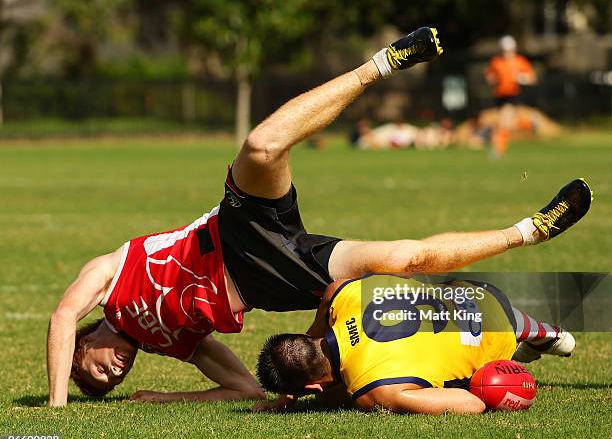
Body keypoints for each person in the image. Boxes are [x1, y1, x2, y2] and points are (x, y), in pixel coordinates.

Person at [47, 26, 592, 407]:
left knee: (261, 146)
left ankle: (382, 64)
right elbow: (247, 390)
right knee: (406, 261)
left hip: (237, 229)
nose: (114, 372)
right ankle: (531, 231)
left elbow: (61, 316)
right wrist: (167, 395)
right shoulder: (178, 344)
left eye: (96, 371)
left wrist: (56, 408)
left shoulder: (110, 276)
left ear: (82, 349)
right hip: (276, 279)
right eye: (112, 383)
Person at [256, 274, 576, 415]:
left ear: (313, 387)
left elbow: (472, 404)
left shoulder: (375, 392)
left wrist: (303, 397)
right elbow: (318, 331)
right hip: (476, 292)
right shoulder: (339, 292)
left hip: (494, 342)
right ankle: (537, 333)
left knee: (475, 377)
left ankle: (525, 346)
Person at [484, 35, 537, 156]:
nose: (507, 53)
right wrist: (492, 79)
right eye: (504, 50)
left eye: (509, 50)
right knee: (509, 124)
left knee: (504, 123)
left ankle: (498, 150)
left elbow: (532, 77)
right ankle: (529, 122)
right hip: (499, 95)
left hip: (513, 95)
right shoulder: (496, 61)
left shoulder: (520, 61)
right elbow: (489, 75)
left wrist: (522, 78)